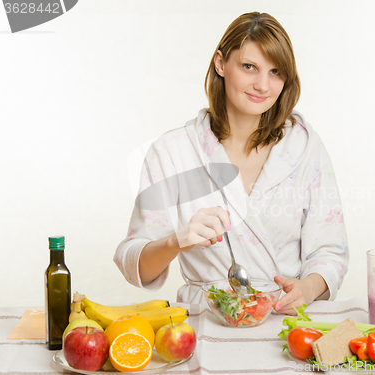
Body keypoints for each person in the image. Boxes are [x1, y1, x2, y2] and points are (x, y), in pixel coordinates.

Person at [114, 12, 349, 315]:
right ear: (220, 63)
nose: (263, 85)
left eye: (276, 72)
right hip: (205, 325)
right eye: (249, 67)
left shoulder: (304, 147)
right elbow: (134, 260)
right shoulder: (173, 151)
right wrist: (176, 242)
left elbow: (331, 251)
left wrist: (308, 287)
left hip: (284, 319)